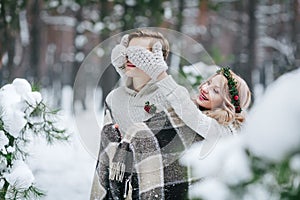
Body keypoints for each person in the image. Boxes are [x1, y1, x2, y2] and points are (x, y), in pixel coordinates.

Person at [90, 29, 204, 200]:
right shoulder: (114, 99)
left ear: (158, 58)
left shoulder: (173, 95)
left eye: (139, 53)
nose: (130, 57)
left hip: (157, 186)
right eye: (128, 52)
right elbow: (107, 152)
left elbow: (183, 145)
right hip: (123, 189)